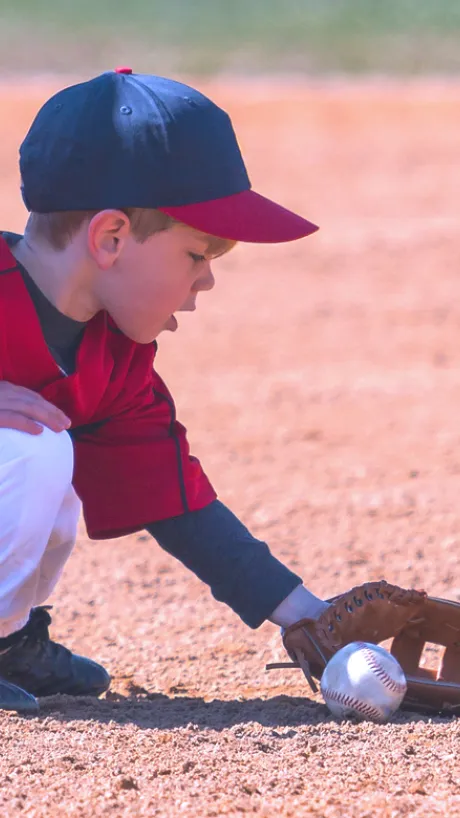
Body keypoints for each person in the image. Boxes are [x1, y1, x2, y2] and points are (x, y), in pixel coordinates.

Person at [0, 67, 330, 713]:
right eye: (197, 254)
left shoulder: (114, 362)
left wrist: (309, 614)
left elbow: (172, 498)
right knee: (31, 452)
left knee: (49, 451)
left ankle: (8, 642)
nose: (206, 282)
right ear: (111, 238)